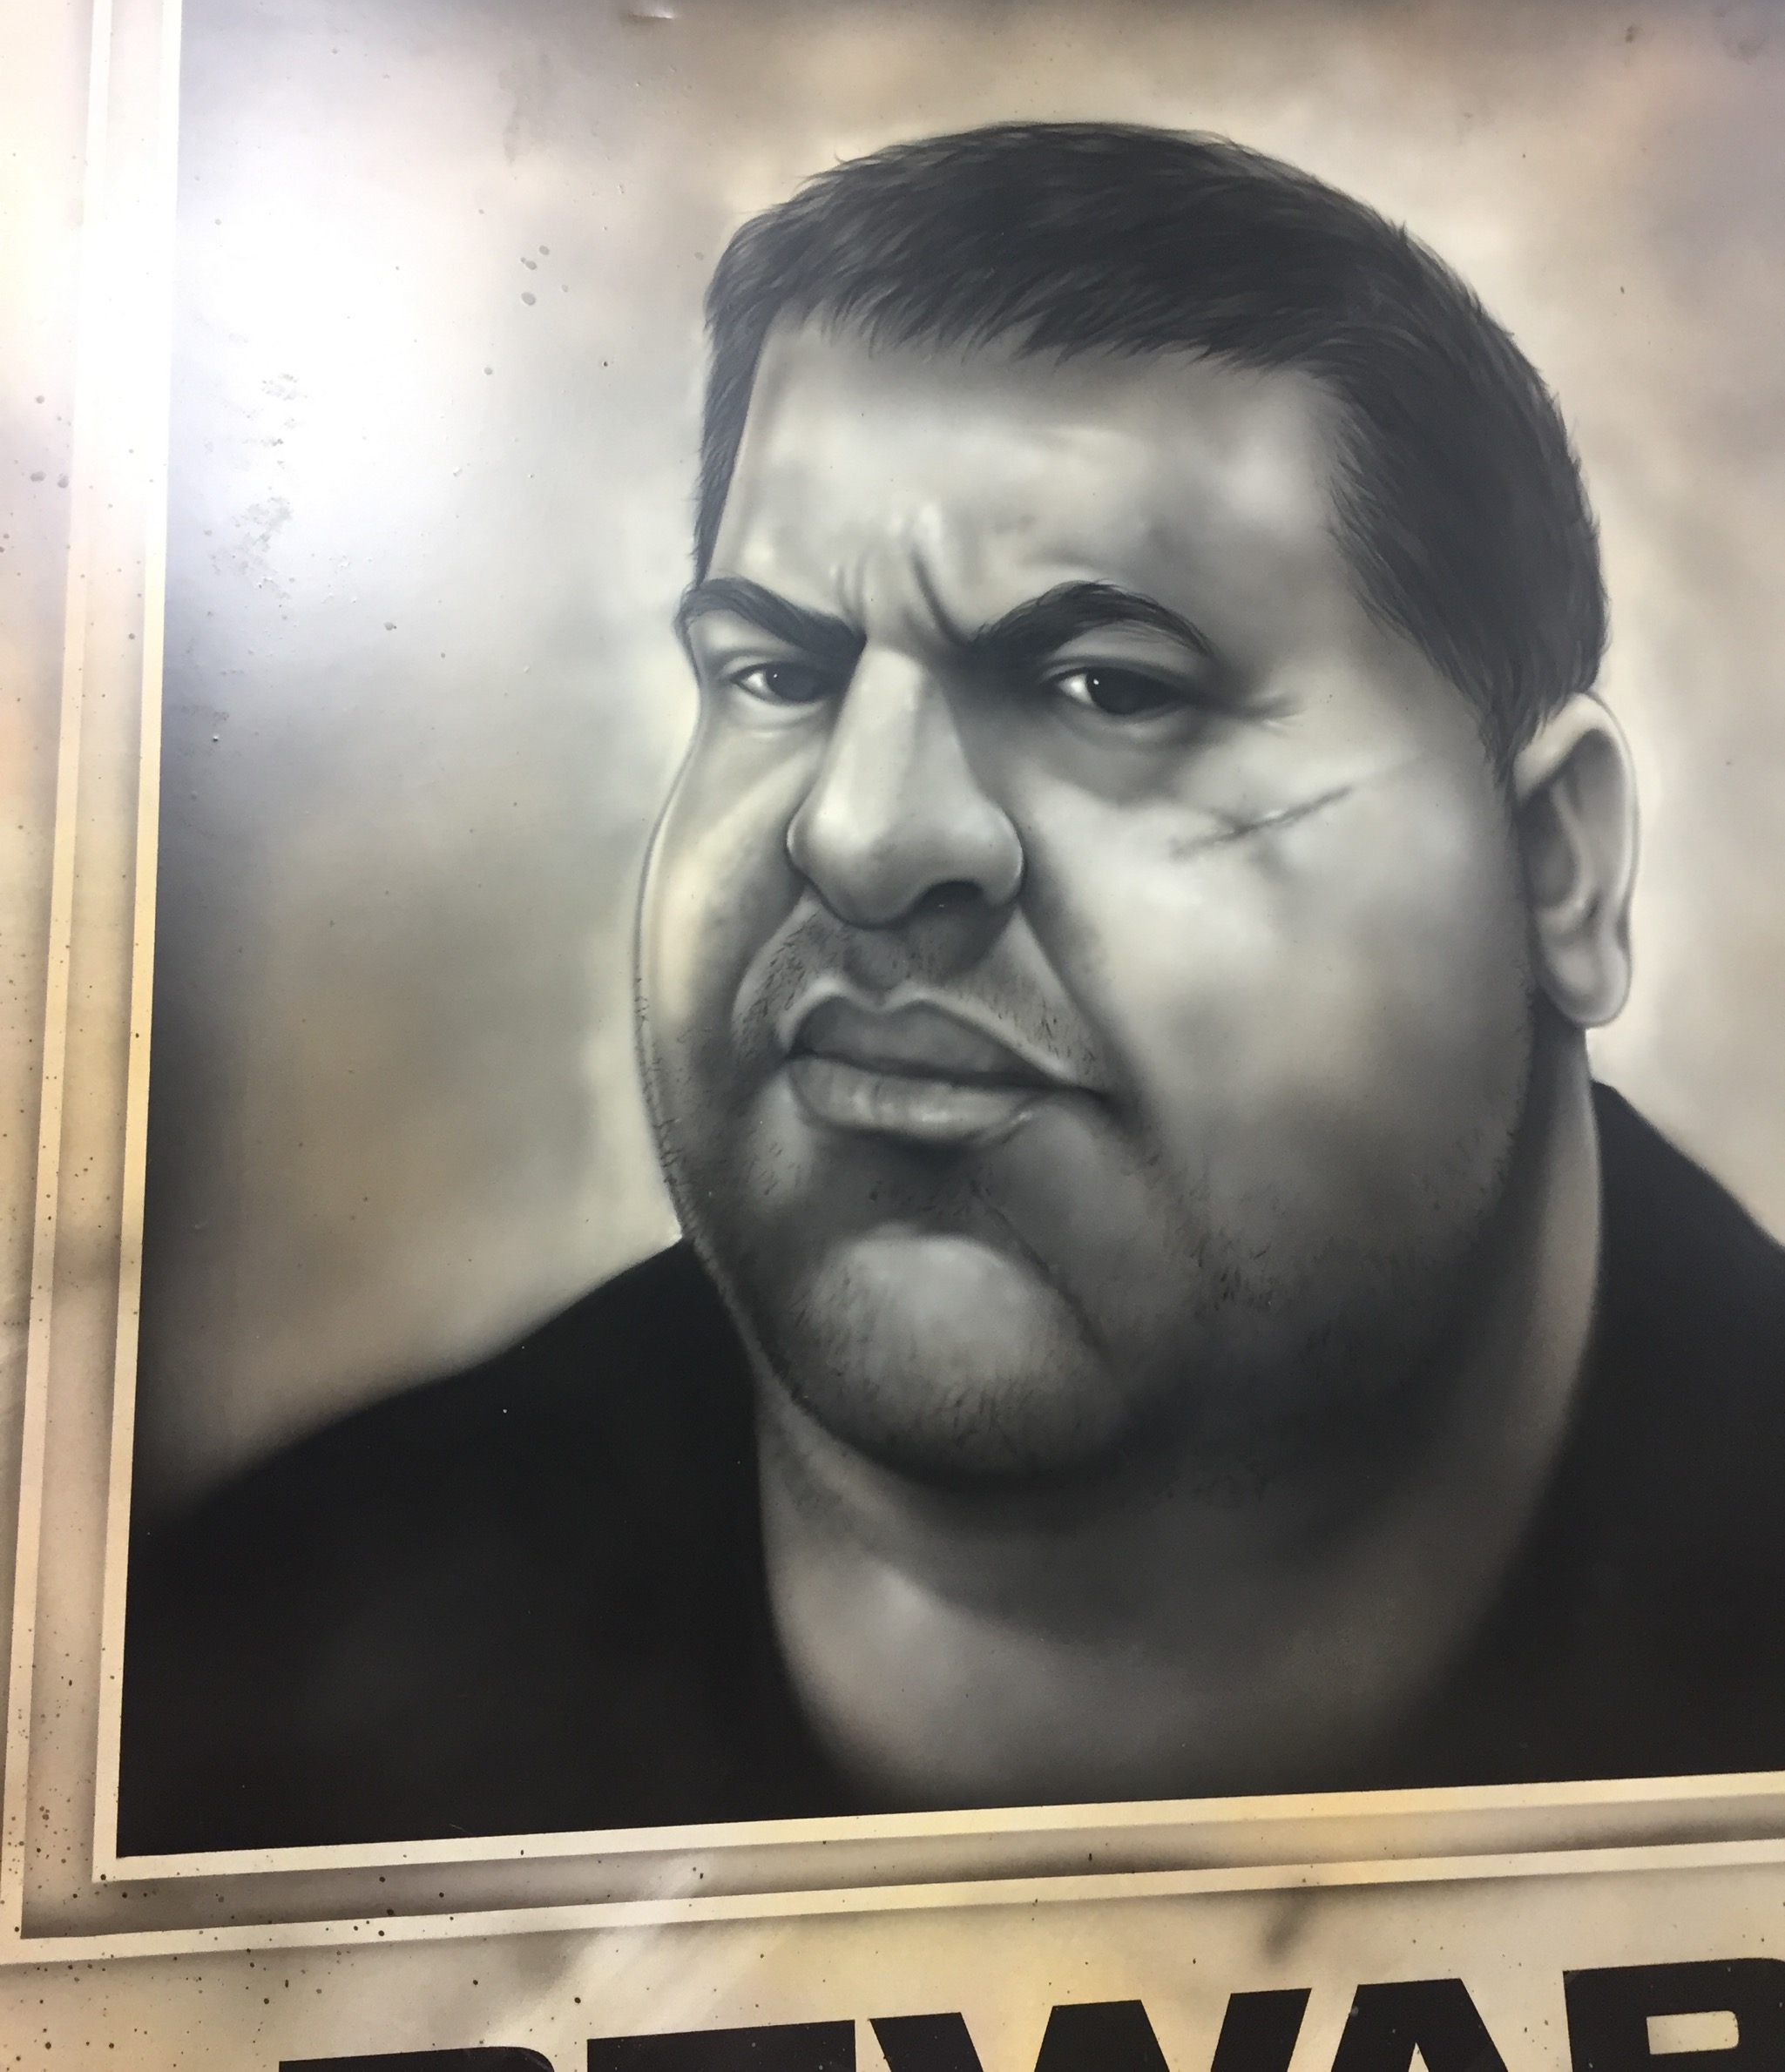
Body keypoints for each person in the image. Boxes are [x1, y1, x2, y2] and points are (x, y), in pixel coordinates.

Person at [118, 123, 1785, 1855]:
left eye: (1110, 687)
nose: (859, 832)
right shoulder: (247, 1690)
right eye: (777, 673)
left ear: (1554, 869)